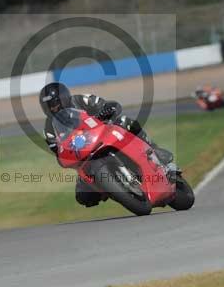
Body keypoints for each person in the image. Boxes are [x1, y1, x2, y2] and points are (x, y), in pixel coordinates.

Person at [39, 82, 177, 207]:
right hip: (85, 156)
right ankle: (115, 189)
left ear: (64, 98)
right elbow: (59, 152)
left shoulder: (81, 100)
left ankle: (154, 150)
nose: (54, 109)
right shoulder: (49, 129)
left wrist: (105, 111)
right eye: (49, 107)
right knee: (83, 196)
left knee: (125, 121)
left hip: (105, 133)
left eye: (56, 104)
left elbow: (108, 106)